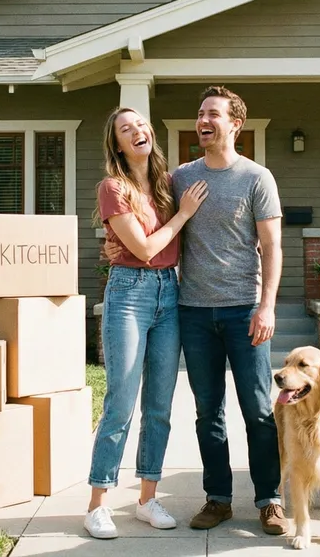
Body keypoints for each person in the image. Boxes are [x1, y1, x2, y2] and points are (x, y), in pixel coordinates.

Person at [84, 107, 209, 540]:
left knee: (159, 403)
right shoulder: (112, 188)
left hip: (169, 294)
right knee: (121, 401)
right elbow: (144, 249)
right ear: (117, 143)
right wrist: (183, 215)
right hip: (129, 294)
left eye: (141, 125)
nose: (137, 131)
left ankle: (146, 498)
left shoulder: (166, 185)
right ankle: (98, 503)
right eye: (125, 128)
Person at [173, 86, 289, 536]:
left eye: (213, 114)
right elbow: (156, 223)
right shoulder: (182, 177)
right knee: (208, 412)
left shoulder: (257, 178)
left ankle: (269, 499)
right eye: (200, 113)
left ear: (235, 124)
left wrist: (267, 307)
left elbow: (273, 246)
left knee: (259, 409)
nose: (203, 120)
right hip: (195, 312)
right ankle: (218, 499)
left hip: (245, 312)